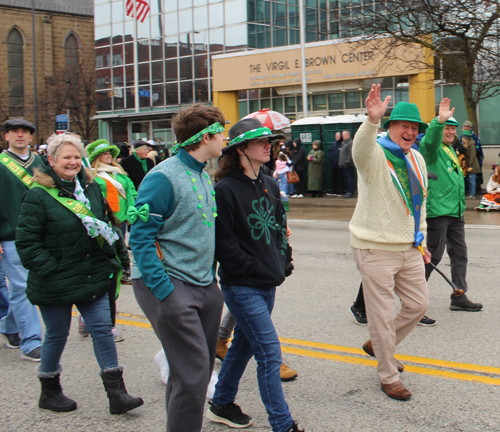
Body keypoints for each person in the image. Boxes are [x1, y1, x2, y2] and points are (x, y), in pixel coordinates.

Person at [15, 132, 143, 414]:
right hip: (55, 280)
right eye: (66, 157)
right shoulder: (37, 195)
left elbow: (106, 226)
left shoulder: (91, 188)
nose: (72, 162)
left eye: (76, 157)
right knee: (57, 335)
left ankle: (117, 394)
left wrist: (120, 258)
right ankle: (49, 392)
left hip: (91, 274)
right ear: (51, 160)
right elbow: (27, 244)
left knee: (102, 331)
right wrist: (51, 270)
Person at [129, 104, 226, 432]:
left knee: (190, 372)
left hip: (204, 286)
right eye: (220, 130)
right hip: (171, 285)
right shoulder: (161, 177)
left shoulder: (202, 174)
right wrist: (165, 291)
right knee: (196, 373)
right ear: (206, 136)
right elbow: (140, 238)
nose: (224, 136)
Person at [207, 117, 303, 432]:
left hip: (267, 282)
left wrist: (282, 259)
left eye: (270, 141)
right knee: (269, 352)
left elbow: (278, 228)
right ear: (240, 149)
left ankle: (221, 403)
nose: (268, 145)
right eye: (261, 142)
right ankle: (282, 424)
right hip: (242, 286)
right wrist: (258, 267)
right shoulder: (223, 190)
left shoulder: (270, 183)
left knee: (243, 346)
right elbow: (225, 245)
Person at [350, 85, 430, 401]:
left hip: (409, 246)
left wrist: (421, 240)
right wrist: (370, 121)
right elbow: (359, 150)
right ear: (391, 127)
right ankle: (388, 374)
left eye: (414, 128)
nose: (410, 132)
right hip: (375, 246)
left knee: (419, 304)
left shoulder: (418, 158)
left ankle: (380, 345)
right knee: (381, 315)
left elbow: (420, 203)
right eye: (404, 126)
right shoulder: (376, 154)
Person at [419, 101, 482, 313]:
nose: (451, 132)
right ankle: (412, 300)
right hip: (438, 212)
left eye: (453, 129)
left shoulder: (450, 149)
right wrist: (439, 121)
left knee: (459, 253)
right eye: (447, 128)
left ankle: (459, 295)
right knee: (433, 256)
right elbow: (429, 140)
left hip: (455, 211)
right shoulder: (433, 148)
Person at [0, 118, 43, 361]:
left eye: (24, 132)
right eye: (14, 131)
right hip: (10, 235)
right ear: (6, 136)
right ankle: (31, 342)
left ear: (30, 137)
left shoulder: (40, 162)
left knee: (30, 286)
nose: (19, 135)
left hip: (39, 235)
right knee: (22, 288)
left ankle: (7, 326)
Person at [86, 139, 137, 235]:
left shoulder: (118, 171)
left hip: (122, 215)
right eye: (105, 154)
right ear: (97, 156)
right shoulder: (92, 174)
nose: (109, 156)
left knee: (120, 245)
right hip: (105, 217)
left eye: (110, 153)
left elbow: (130, 190)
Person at [461, 120, 484, 193]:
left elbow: (474, 153)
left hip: (472, 162)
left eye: (466, 126)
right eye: (464, 126)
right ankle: (469, 191)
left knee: (472, 178)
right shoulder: (463, 135)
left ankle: (472, 193)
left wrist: (470, 164)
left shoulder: (472, 137)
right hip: (466, 161)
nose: (464, 127)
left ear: (469, 127)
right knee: (468, 178)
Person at [461, 130, 481, 199]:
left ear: (466, 138)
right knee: (469, 180)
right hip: (469, 165)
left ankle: (472, 194)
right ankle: (470, 193)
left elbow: (472, 155)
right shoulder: (466, 145)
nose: (462, 139)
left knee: (471, 180)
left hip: (473, 166)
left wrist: (470, 165)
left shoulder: (472, 145)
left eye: (463, 138)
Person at [326, 131, 345, 196]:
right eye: (336, 136)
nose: (336, 137)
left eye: (338, 136)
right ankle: (334, 191)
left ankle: (341, 191)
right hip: (333, 165)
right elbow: (330, 152)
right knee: (333, 178)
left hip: (340, 164)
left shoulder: (342, 144)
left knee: (340, 178)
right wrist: (331, 159)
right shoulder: (334, 144)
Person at [339, 130, 355, 198]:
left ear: (348, 135)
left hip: (348, 165)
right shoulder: (343, 143)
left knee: (350, 179)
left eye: (344, 134)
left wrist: (347, 162)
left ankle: (350, 192)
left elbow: (350, 154)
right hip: (343, 164)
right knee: (346, 179)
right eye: (342, 134)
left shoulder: (350, 143)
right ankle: (348, 191)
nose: (342, 136)